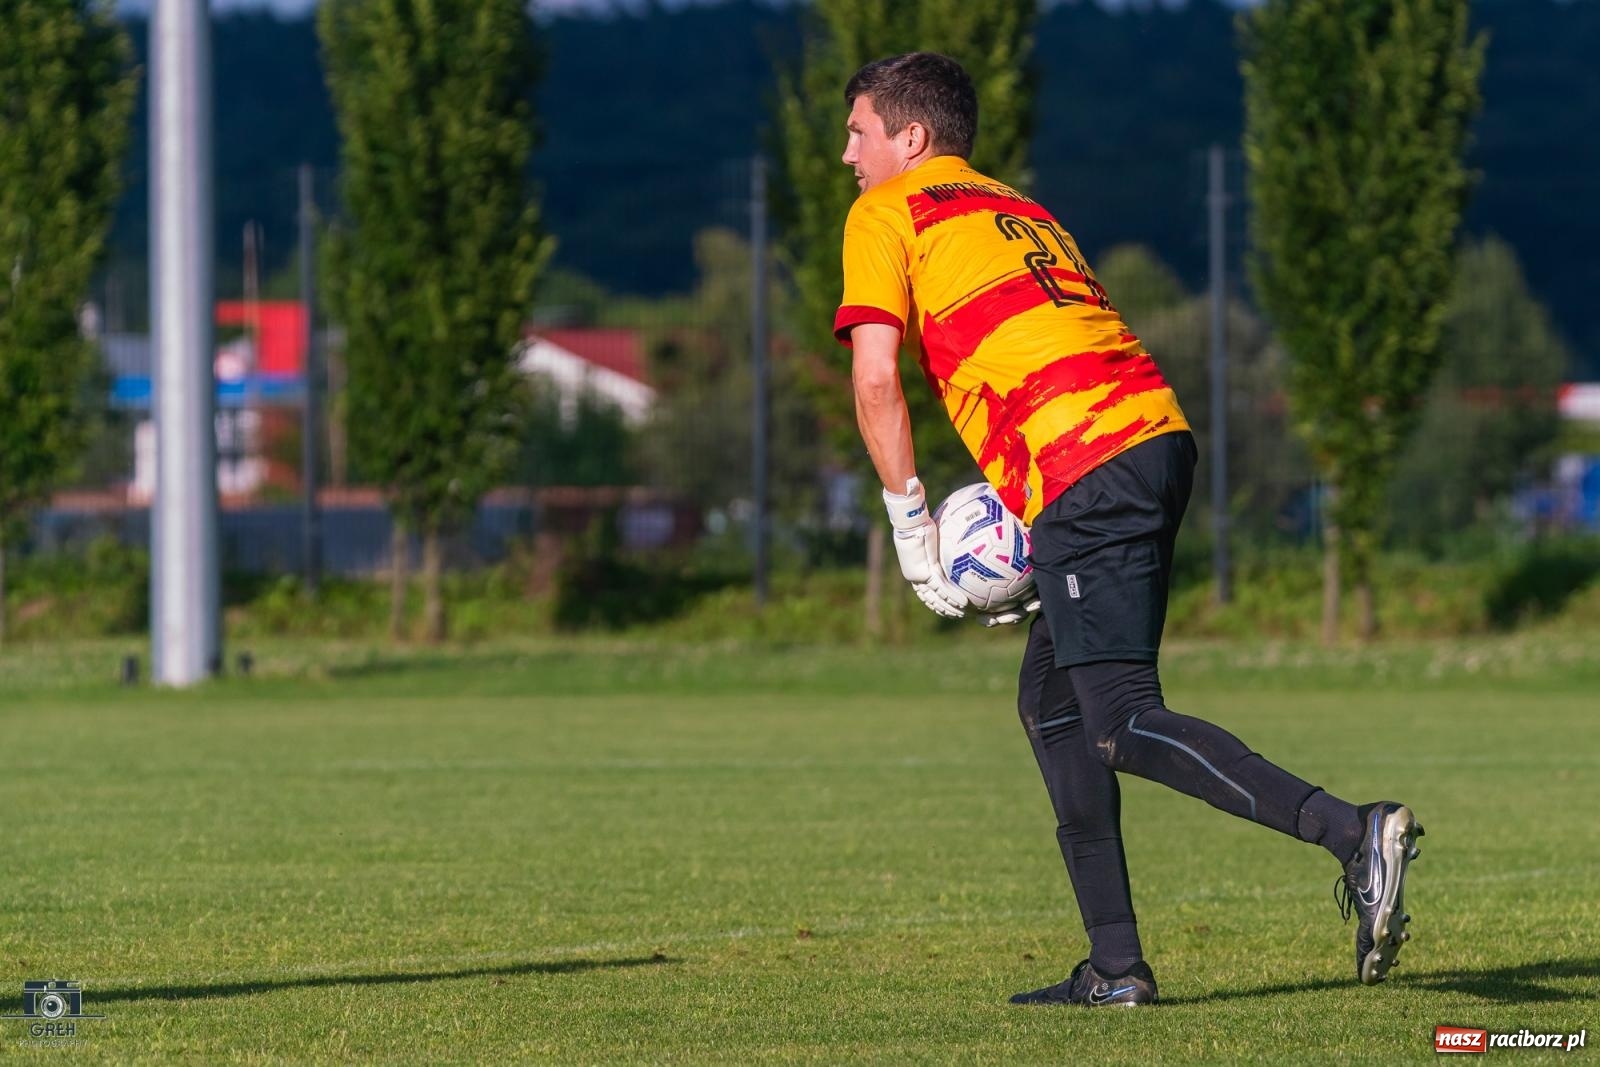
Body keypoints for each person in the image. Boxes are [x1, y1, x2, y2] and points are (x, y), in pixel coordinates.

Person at [833, 52, 1423, 1006]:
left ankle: (1354, 832)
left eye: (858, 132)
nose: (848, 155)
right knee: (1055, 707)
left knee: (1119, 719)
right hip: (1148, 437)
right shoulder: (1016, 206)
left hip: (1088, 464)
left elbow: (873, 380)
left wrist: (912, 531)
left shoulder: (887, 211)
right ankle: (1115, 966)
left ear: (911, 138)